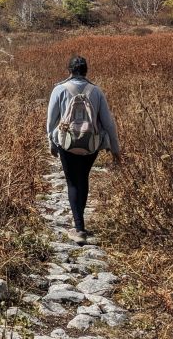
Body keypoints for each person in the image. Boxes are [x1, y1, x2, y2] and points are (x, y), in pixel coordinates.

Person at [46, 55, 121, 244]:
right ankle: (80, 226)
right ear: (86, 71)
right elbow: (108, 123)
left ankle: (78, 229)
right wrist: (114, 149)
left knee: (72, 183)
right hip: (91, 144)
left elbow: (51, 122)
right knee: (83, 179)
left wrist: (52, 144)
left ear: (69, 70)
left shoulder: (59, 89)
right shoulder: (96, 91)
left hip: (67, 143)